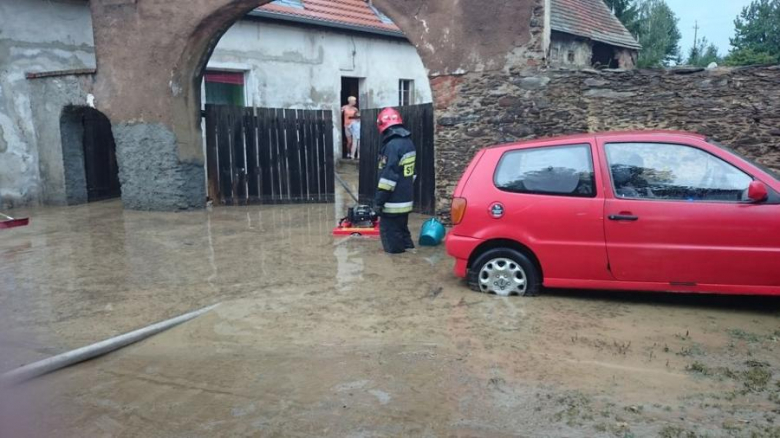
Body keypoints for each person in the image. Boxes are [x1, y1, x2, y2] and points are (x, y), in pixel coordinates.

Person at [374, 107, 416, 254]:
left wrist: (379, 202)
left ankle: (397, 269)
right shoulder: (408, 143)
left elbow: (388, 178)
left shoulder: (391, 146)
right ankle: (411, 261)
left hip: (392, 204)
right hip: (405, 201)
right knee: (403, 234)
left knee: (392, 246)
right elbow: (412, 174)